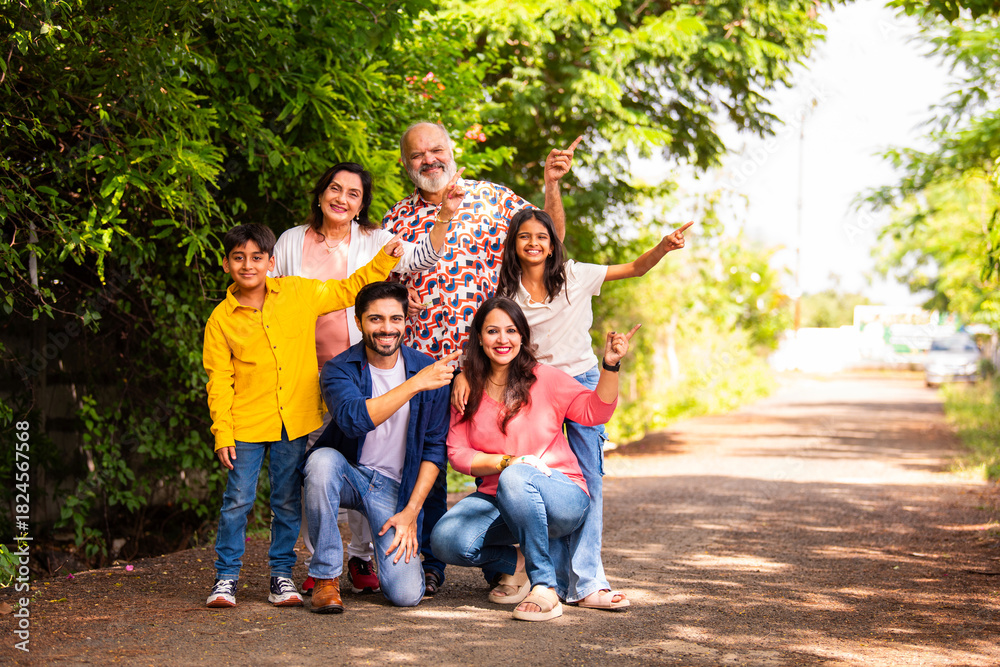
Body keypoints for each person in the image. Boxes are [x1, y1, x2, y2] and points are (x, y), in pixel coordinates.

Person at [452, 209, 691, 610]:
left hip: (578, 381)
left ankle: (588, 582)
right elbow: (487, 333)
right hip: (529, 385)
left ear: (552, 242)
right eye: (524, 236)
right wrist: (464, 373)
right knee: (522, 472)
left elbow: (634, 268)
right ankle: (524, 566)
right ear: (513, 244)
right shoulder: (506, 291)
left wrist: (662, 249)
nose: (534, 243)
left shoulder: (576, 275)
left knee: (586, 479)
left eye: (542, 236)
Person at [382, 121, 579, 594]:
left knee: (500, 456)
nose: (428, 160)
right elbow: (382, 287)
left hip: (490, 362)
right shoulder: (395, 219)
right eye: (417, 155)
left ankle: (504, 565)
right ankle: (430, 564)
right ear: (405, 165)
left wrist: (552, 186)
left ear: (453, 151)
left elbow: (547, 237)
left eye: (436, 150)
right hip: (423, 364)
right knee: (424, 456)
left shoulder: (493, 199)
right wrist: (396, 298)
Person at [270, 162, 463, 596]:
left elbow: (422, 256)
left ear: (361, 205)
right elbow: (274, 299)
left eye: (352, 194)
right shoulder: (289, 242)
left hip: (362, 368)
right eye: (334, 189)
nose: (341, 199)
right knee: (315, 467)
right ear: (320, 195)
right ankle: (322, 566)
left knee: (366, 456)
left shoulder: (375, 241)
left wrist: (446, 216)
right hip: (306, 373)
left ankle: (360, 556)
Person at [202, 223, 401, 608]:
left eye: (257, 257)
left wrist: (384, 260)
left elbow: (347, 289)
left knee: (287, 501)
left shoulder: (297, 292)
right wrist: (222, 431)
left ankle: (281, 575)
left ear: (271, 262)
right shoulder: (220, 320)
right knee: (237, 501)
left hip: (294, 420)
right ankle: (226, 577)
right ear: (226, 264)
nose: (248, 265)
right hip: (245, 424)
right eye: (239, 258)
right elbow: (219, 380)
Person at [430, 297, 637, 622]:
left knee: (517, 476)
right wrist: (507, 461)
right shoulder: (467, 387)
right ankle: (519, 564)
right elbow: (458, 454)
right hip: (497, 499)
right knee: (445, 540)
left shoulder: (546, 379)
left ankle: (545, 588)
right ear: (479, 338)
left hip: (562, 496)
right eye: (492, 331)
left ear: (522, 337)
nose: (502, 339)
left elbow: (595, 411)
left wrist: (610, 365)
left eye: (511, 330)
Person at [303, 282, 458, 612]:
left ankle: (384, 559)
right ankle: (325, 578)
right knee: (320, 462)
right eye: (375, 319)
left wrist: (411, 512)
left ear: (405, 322)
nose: (386, 328)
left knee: (405, 595)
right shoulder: (339, 369)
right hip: (350, 474)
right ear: (358, 322)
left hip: (395, 491)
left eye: (395, 319)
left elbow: (434, 450)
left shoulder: (427, 368)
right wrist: (414, 384)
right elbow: (353, 420)